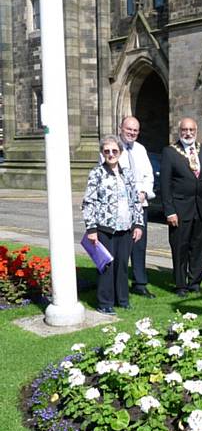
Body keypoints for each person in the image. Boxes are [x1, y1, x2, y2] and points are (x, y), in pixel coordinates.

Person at [82, 135, 143, 315]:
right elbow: (89, 202)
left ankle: (122, 299)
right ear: (102, 153)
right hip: (104, 228)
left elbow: (135, 201)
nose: (110, 154)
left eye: (114, 151)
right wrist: (91, 229)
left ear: (120, 152)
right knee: (107, 266)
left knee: (122, 265)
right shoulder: (96, 173)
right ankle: (104, 302)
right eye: (107, 151)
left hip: (125, 228)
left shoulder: (127, 173)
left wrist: (138, 224)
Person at [100, 116, 156, 299]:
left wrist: (144, 193)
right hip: (119, 207)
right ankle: (116, 283)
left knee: (139, 245)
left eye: (135, 130)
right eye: (128, 129)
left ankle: (140, 283)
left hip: (140, 205)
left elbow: (149, 176)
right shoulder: (111, 148)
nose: (132, 133)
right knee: (120, 246)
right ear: (120, 128)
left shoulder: (141, 150)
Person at [160, 117, 202, 297]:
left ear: (196, 131)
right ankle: (180, 284)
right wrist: (169, 211)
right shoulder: (170, 152)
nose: (188, 133)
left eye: (191, 130)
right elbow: (165, 185)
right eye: (185, 130)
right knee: (180, 247)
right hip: (180, 209)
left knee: (199, 248)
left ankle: (195, 282)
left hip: (201, 208)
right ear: (179, 131)